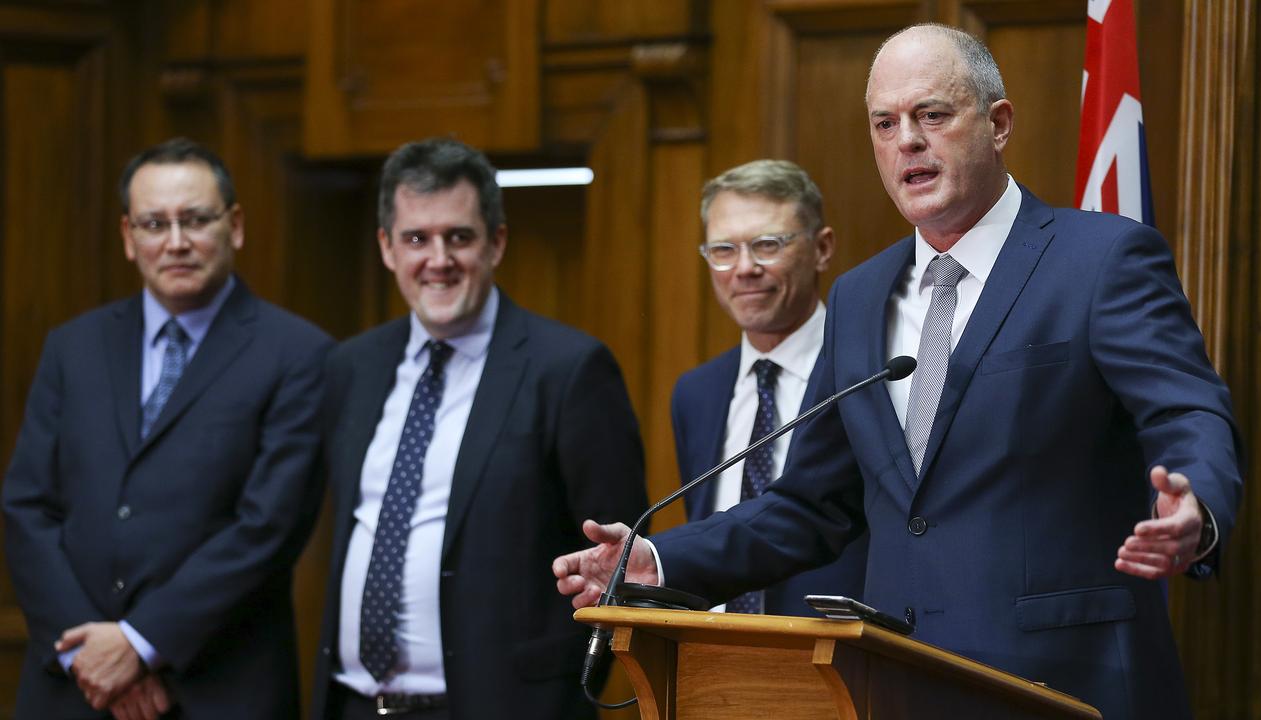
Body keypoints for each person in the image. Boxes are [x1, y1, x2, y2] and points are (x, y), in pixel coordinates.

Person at [554, 24, 1242, 720]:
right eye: (885, 123)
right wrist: (660, 560)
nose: (906, 140)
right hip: (899, 685)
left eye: (932, 115)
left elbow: (1188, 412)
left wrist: (1198, 505)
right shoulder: (857, 297)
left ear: (998, 123)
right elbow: (811, 504)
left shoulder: (1100, 259)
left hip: (1065, 683)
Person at [311, 138, 648, 720]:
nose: (437, 259)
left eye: (459, 237)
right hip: (353, 704)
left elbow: (619, 555)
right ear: (387, 248)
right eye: (417, 238)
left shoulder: (568, 370)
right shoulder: (351, 368)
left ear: (496, 242)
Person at [3, 137, 332, 718]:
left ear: (234, 226)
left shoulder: (301, 355)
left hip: (216, 688)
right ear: (129, 238)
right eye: (155, 224)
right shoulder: (73, 347)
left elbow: (267, 528)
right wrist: (93, 656)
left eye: (196, 220)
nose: (175, 242)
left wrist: (138, 644)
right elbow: (28, 507)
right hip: (72, 687)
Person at [674, 159, 866, 616]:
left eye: (767, 245)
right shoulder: (695, 393)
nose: (744, 268)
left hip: (838, 662)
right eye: (723, 250)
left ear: (822, 248)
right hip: (717, 661)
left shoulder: (865, 375)